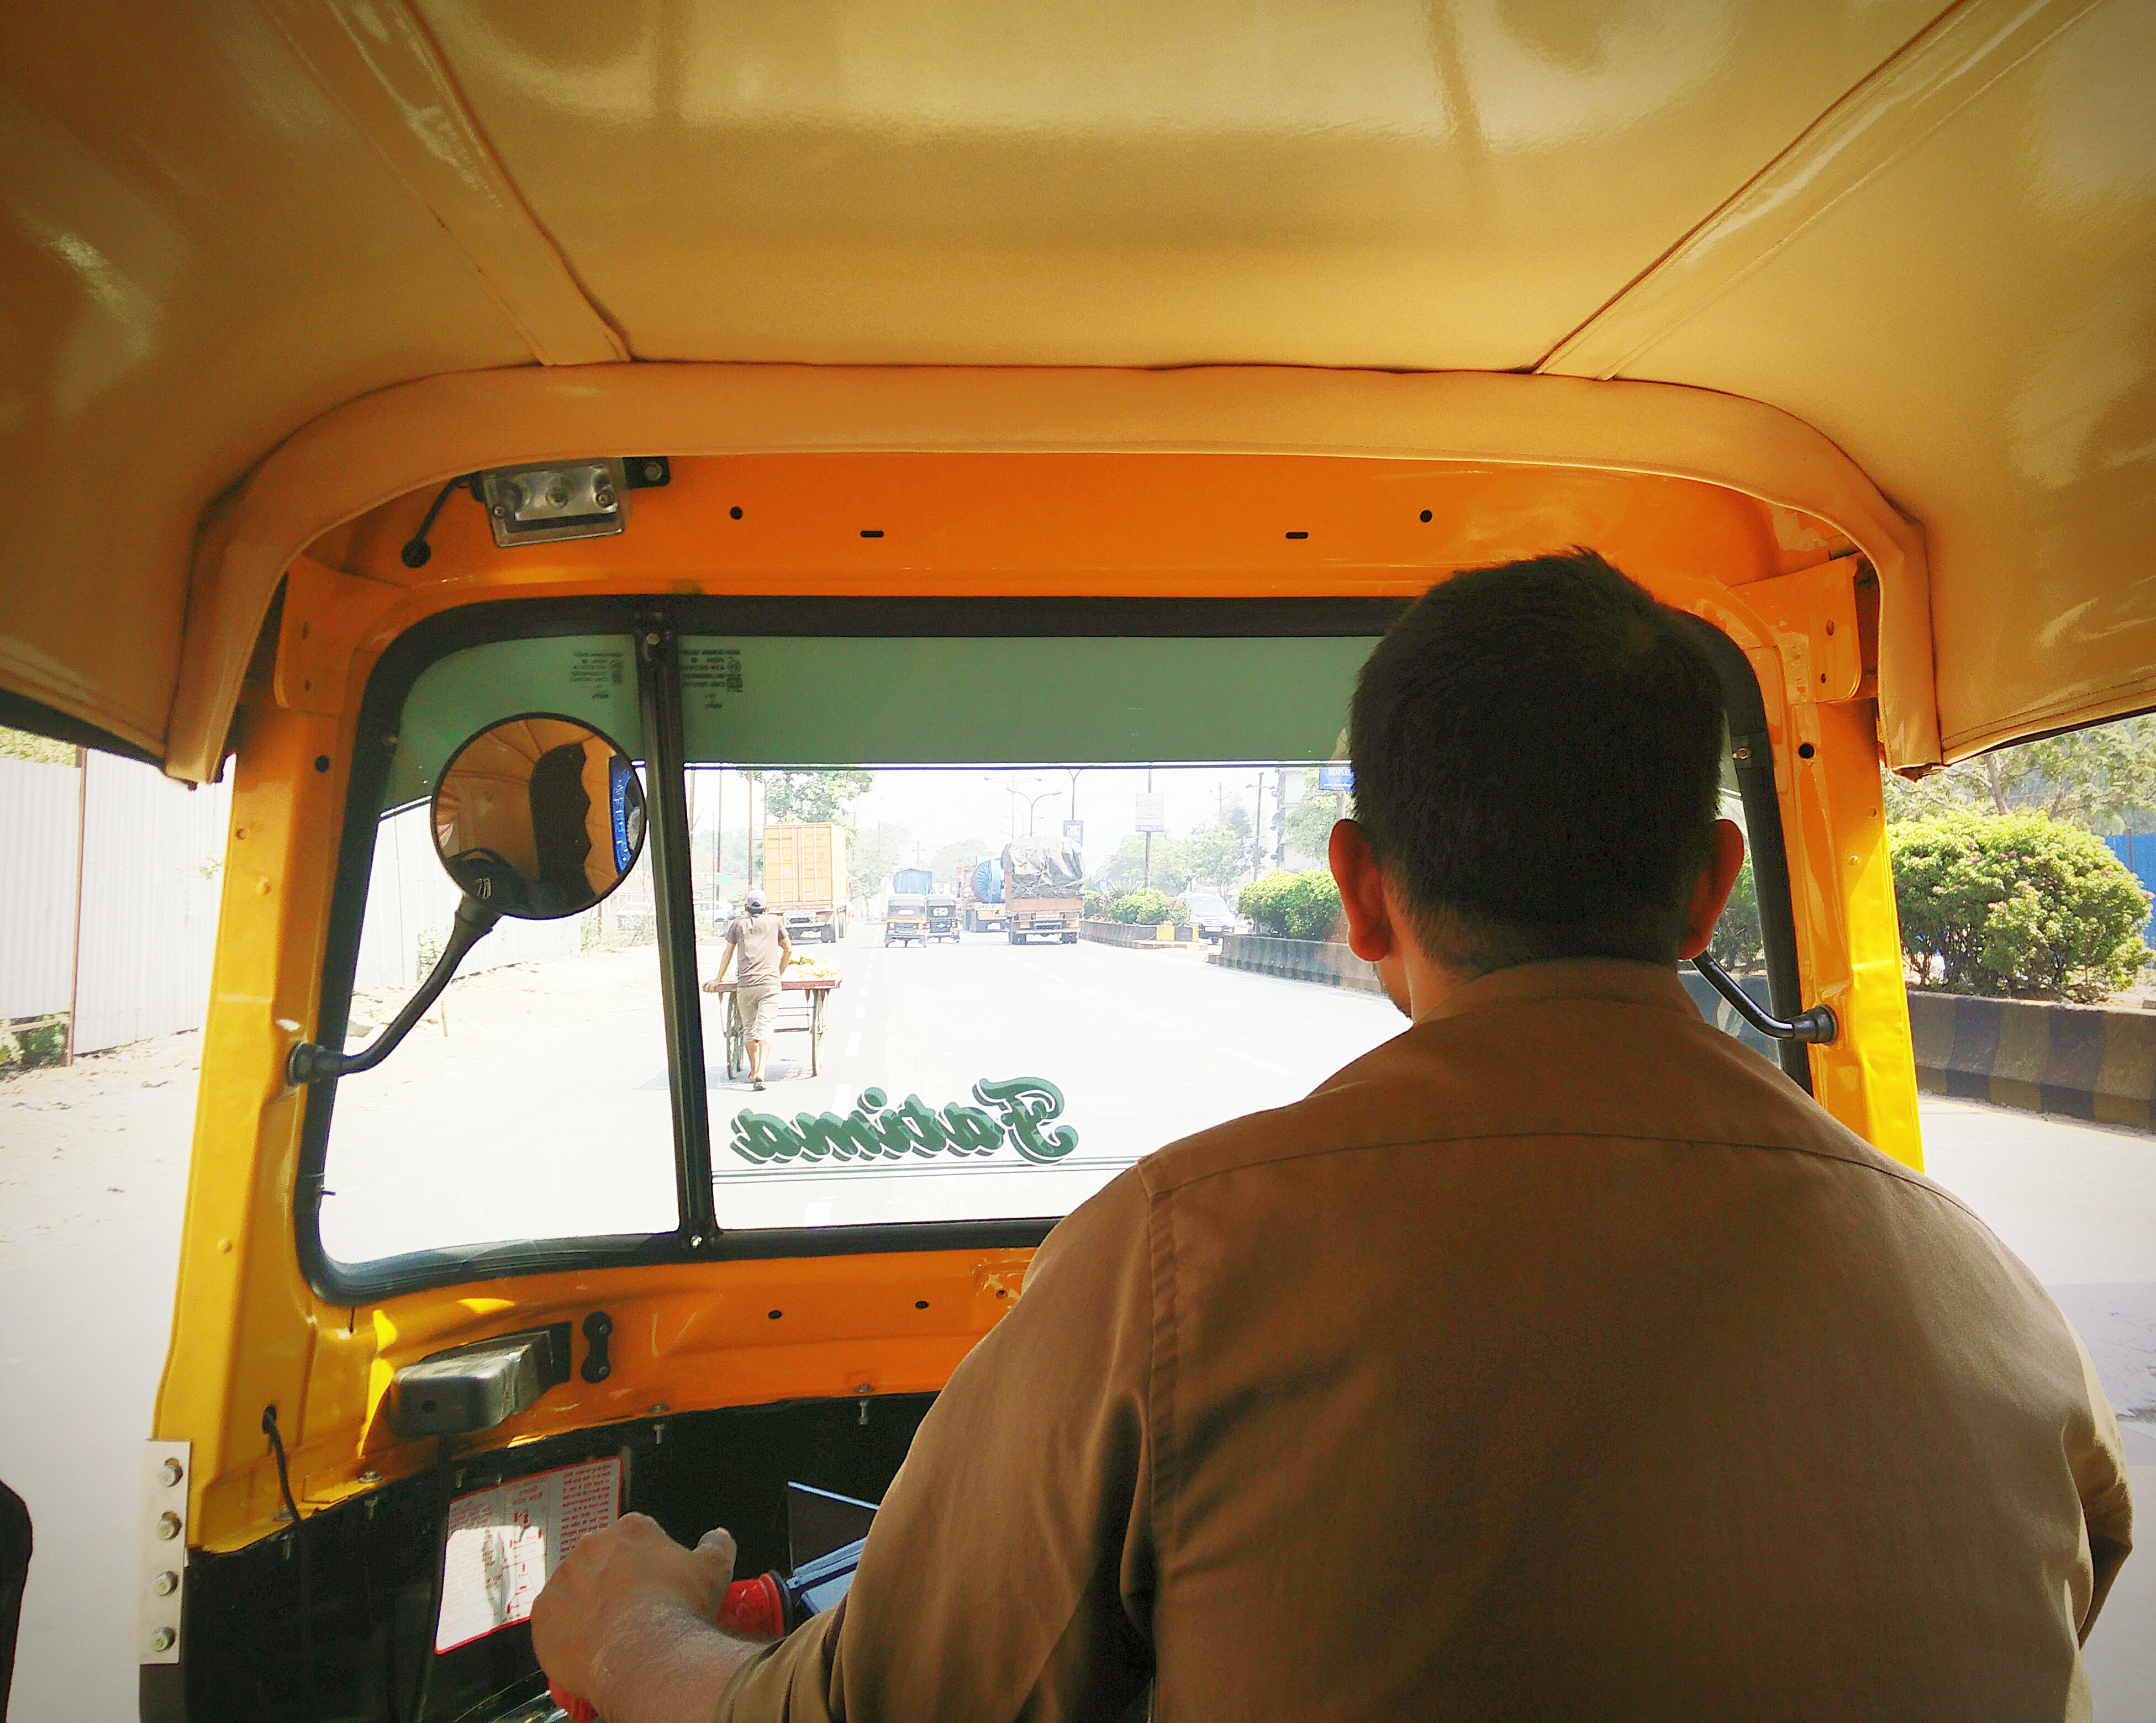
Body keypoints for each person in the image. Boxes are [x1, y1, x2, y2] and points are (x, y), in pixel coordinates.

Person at [535, 552, 2131, 1721]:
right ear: (1712, 885)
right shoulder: (1991, 1296)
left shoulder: (1183, 1255)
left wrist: (632, 1632)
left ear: (1358, 891)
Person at [704, 889, 792, 1090]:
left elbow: (728, 953)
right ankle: (761, 1070)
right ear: (766, 908)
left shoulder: (738, 924)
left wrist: (718, 979)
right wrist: (779, 972)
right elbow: (789, 949)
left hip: (746, 985)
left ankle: (754, 1070)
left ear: (746, 908)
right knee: (765, 1027)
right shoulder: (775, 922)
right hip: (770, 985)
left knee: (749, 1028)